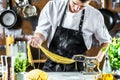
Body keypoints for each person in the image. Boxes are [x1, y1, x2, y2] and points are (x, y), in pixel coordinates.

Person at [28, 0, 112, 72]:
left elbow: (106, 41)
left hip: (78, 68)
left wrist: (99, 57)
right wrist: (38, 38)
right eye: (74, 3)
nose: (76, 8)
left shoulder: (95, 16)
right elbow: (41, 31)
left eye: (82, 6)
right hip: (52, 66)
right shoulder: (53, 6)